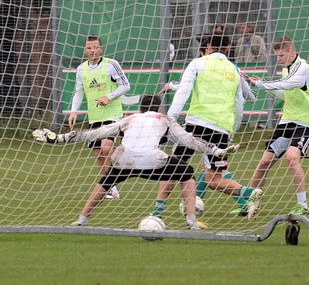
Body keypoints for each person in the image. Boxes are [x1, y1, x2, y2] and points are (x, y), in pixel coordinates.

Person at [32, 95, 239, 230]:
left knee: (105, 182)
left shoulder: (129, 119)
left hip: (124, 159)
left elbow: (95, 133)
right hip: (153, 161)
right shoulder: (165, 119)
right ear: (159, 107)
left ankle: (81, 220)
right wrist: (216, 150)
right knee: (187, 173)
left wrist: (59, 138)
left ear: (141, 108)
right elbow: (189, 140)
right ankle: (192, 222)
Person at [161, 33, 263, 222]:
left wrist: (171, 119)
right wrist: (232, 130)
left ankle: (156, 212)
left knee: (173, 166)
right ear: (227, 49)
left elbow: (185, 90)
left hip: (196, 125)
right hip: (222, 129)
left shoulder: (198, 63)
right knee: (214, 178)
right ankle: (247, 194)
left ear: (208, 48)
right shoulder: (234, 69)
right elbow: (246, 99)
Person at [244, 36, 309, 217]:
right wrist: (266, 86)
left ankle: (303, 204)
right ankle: (250, 204)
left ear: (292, 52)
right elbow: (284, 93)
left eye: (281, 55)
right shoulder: (286, 69)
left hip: (306, 122)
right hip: (287, 121)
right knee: (264, 162)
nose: (279, 59)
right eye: (277, 56)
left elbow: (288, 84)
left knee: (291, 157)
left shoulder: (302, 68)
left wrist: (260, 84)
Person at [68, 35, 130, 199]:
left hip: (113, 115)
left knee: (106, 149)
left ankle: (116, 173)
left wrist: (108, 97)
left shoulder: (111, 65)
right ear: (85, 50)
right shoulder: (81, 69)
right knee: (99, 154)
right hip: (94, 117)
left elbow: (126, 85)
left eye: (95, 47)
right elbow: (79, 92)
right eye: (89, 47)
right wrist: (74, 111)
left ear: (100, 49)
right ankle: (111, 187)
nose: (92, 50)